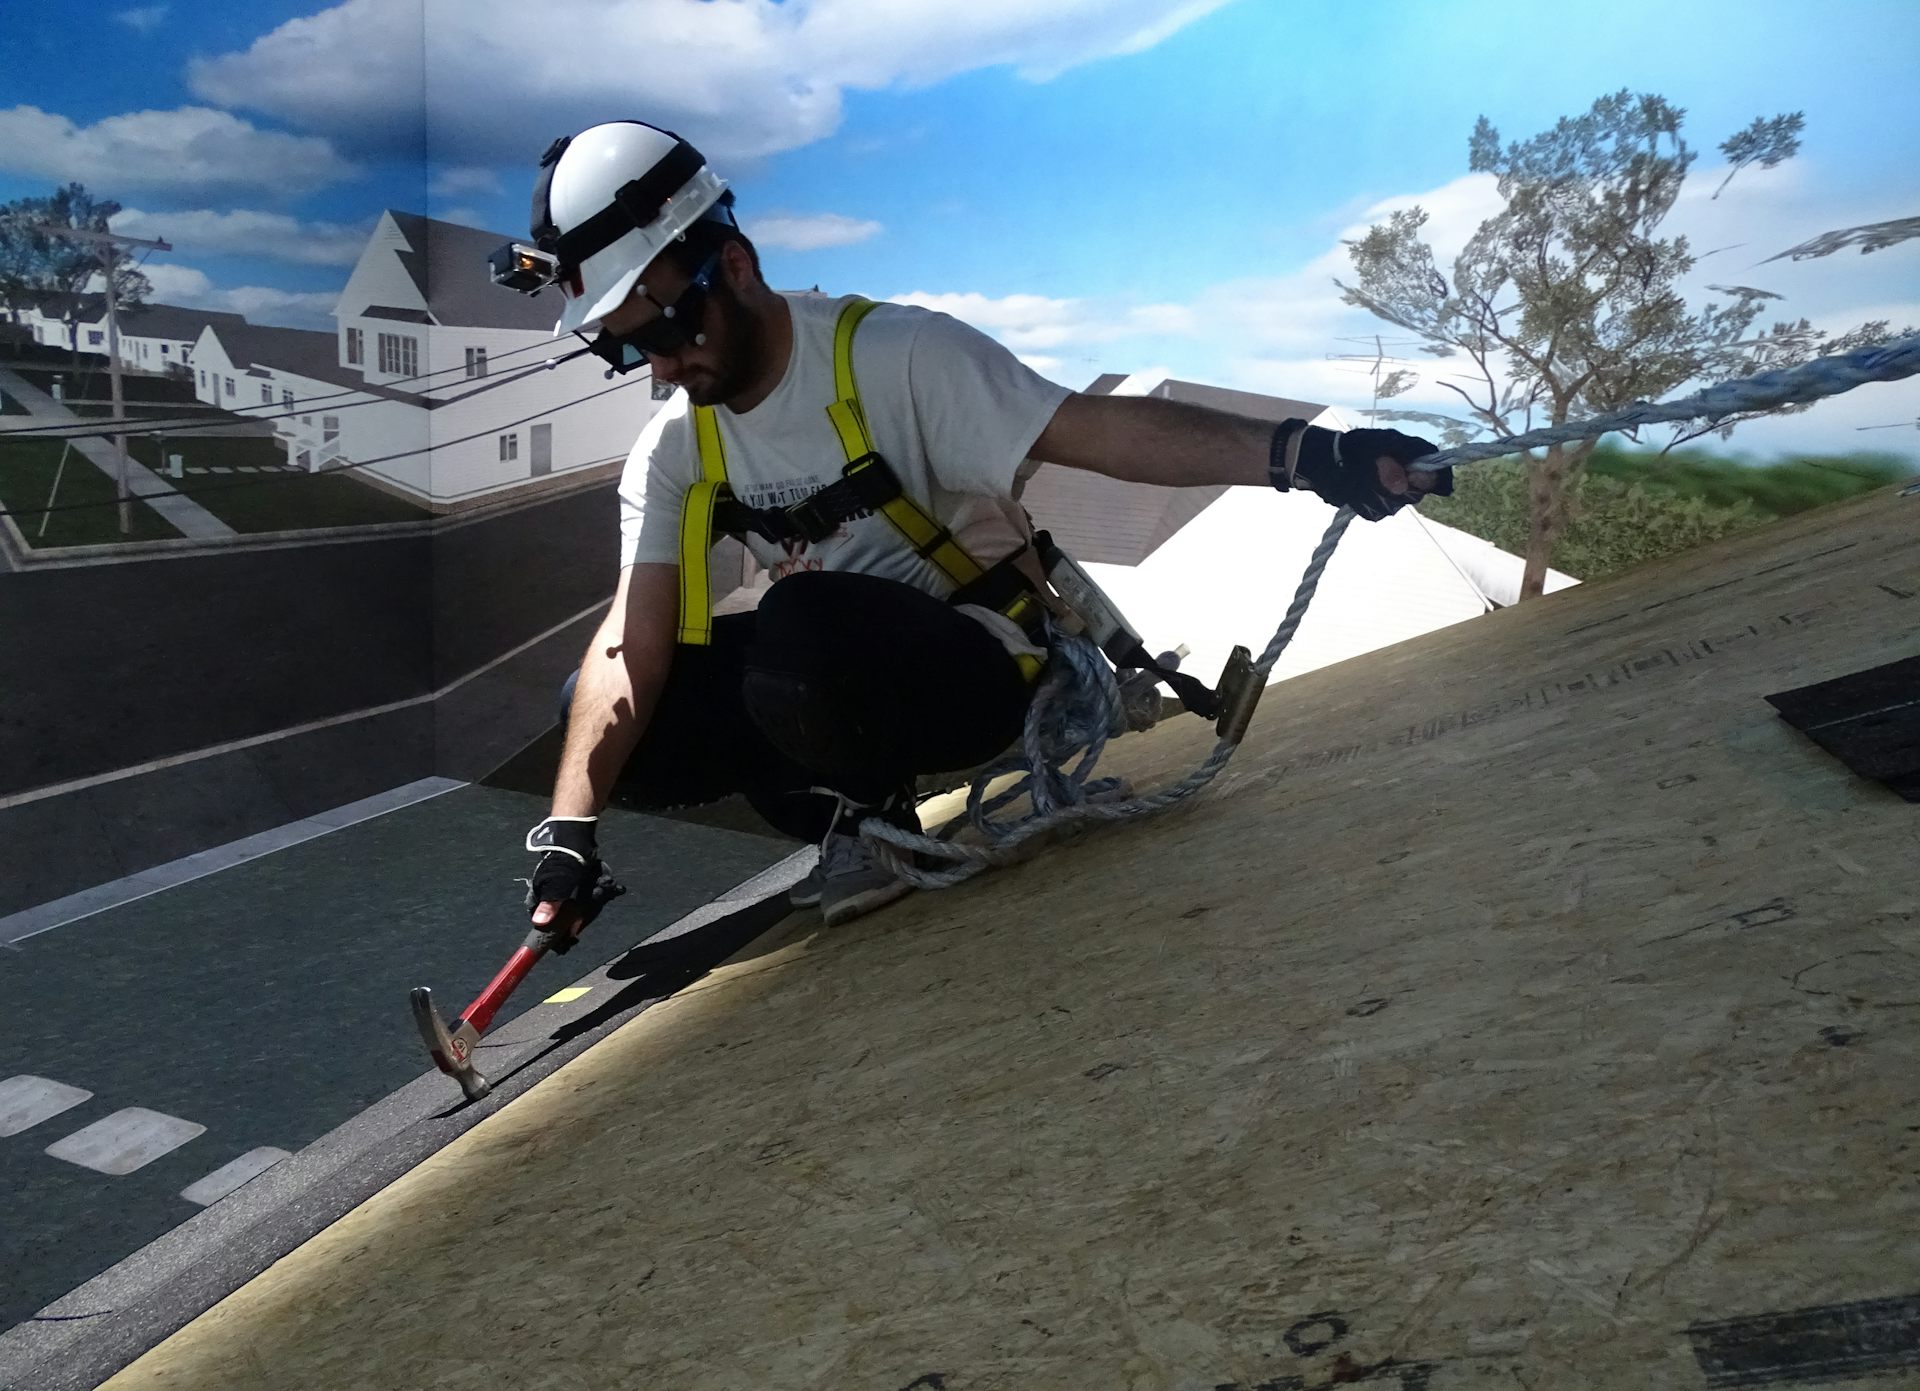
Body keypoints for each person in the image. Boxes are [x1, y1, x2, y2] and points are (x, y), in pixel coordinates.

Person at [504, 120, 1451, 935]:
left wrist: (1306, 455)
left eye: (663, 331)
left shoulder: (899, 357)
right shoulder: (677, 446)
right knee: (605, 721)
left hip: (984, 671)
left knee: (799, 632)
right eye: (626, 348)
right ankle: (854, 805)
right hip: (840, 686)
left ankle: (869, 807)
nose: (658, 367)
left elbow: (1099, 431)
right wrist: (569, 831)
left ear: (736, 266)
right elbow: (633, 645)